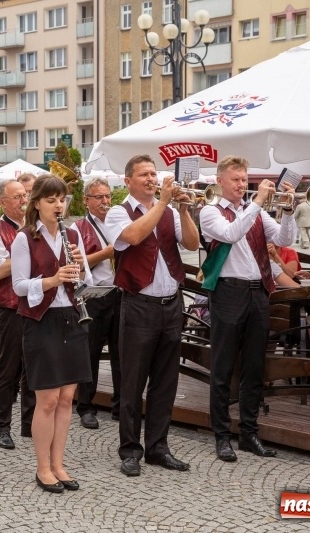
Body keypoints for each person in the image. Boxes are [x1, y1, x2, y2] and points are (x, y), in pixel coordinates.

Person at [106, 154, 199, 477]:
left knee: (165, 381)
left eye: (153, 173)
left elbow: (192, 242)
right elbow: (132, 237)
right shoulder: (118, 212)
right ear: (128, 181)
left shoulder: (171, 211)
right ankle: (130, 449)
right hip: (138, 305)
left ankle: (158, 447)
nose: (150, 178)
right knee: (132, 383)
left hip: (171, 304)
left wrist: (184, 209)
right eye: (144, 174)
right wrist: (162, 203)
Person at [199, 155, 296, 462]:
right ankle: (222, 435)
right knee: (223, 366)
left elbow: (284, 238)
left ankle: (249, 433)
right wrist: (258, 203)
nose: (242, 185)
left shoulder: (252, 212)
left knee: (255, 366)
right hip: (228, 291)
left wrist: (288, 211)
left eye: (244, 180)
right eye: (236, 180)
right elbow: (230, 233)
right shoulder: (209, 211)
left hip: (257, 293)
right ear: (220, 181)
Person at [11, 174, 93, 493]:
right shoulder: (24, 238)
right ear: (37, 204)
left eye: (62, 200)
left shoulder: (70, 234)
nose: (58, 205)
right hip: (40, 319)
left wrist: (79, 275)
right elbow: (18, 286)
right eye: (51, 200)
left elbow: (80, 276)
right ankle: (42, 467)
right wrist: (51, 279)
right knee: (46, 400)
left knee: (66, 398)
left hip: (71, 317)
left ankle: (59, 464)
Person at [0, 179, 35, 449]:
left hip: (35, 305)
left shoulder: (33, 227)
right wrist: (33, 253)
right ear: (2, 202)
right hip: (10, 309)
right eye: (17, 197)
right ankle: (1, 427)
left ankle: (30, 424)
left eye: (25, 195)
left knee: (33, 369)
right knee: (8, 370)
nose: (23, 200)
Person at [71, 176, 121, 430]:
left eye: (108, 196)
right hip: (95, 295)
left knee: (121, 352)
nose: (105, 201)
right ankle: (85, 407)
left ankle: (120, 405)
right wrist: (105, 254)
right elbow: (76, 264)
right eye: (99, 197)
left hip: (120, 293)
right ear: (86, 200)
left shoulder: (117, 221)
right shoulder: (78, 227)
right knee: (88, 352)